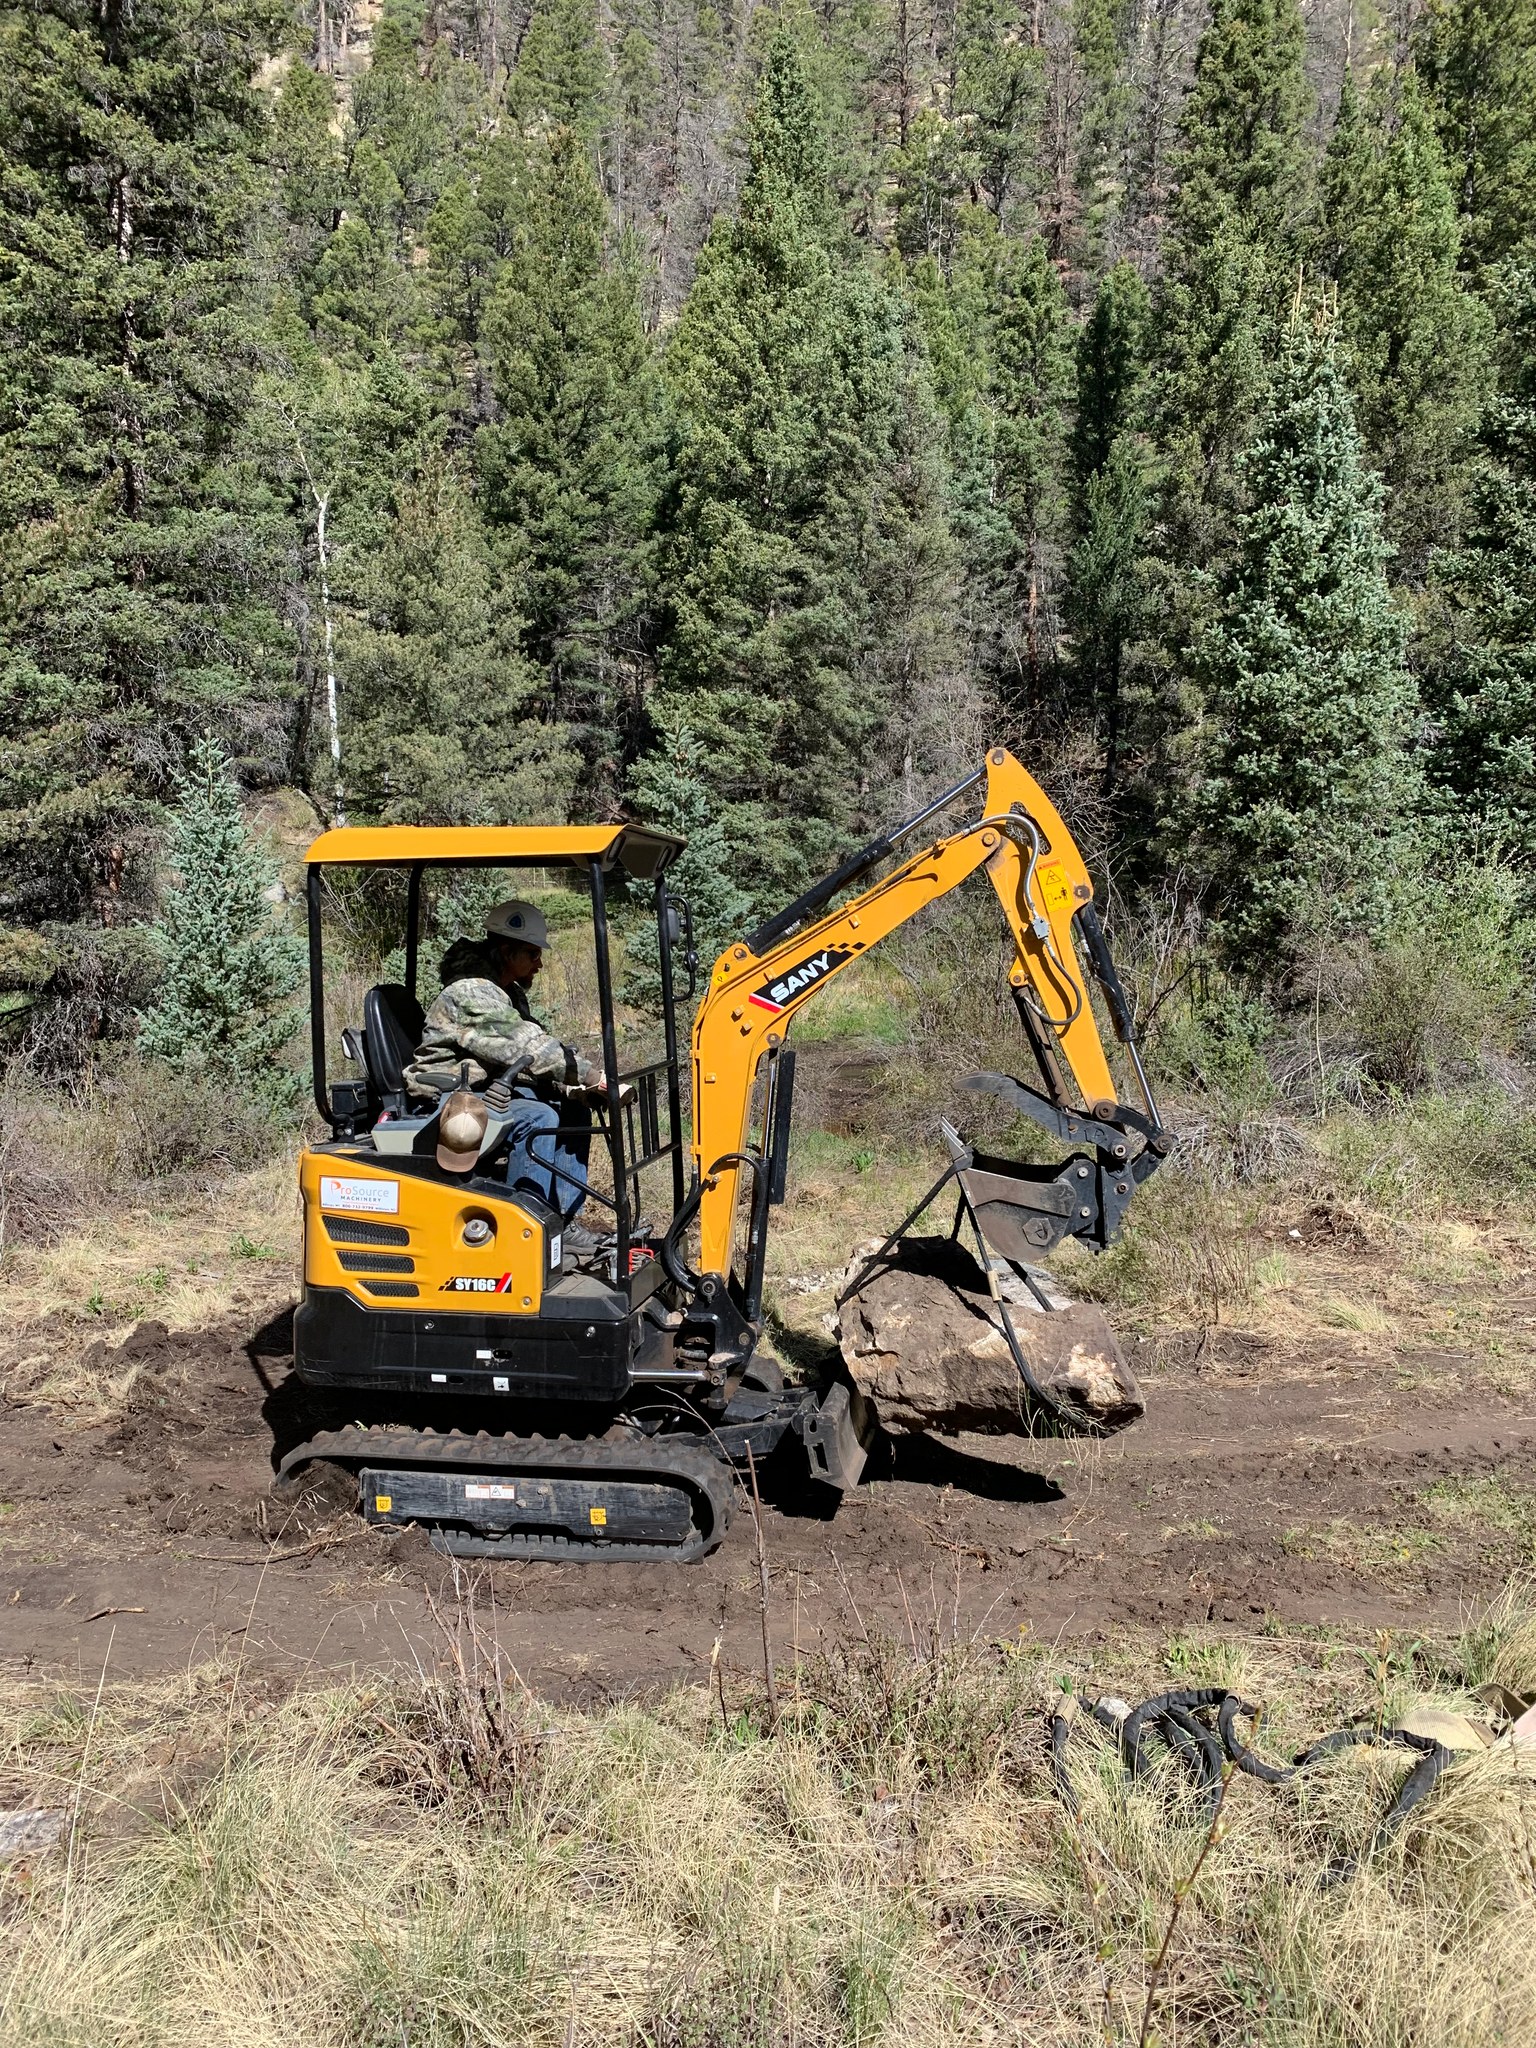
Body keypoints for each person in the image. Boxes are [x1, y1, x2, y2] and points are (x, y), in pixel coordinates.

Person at [404, 900, 613, 1250]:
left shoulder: (505, 992)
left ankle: (563, 1220)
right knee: (538, 1118)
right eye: (532, 954)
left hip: (486, 1087)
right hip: (448, 1095)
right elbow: (522, 1046)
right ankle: (528, 1225)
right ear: (506, 951)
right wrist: (590, 1074)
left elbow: (532, 1048)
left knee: (574, 1110)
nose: (539, 963)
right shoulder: (471, 992)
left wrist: (576, 1087)